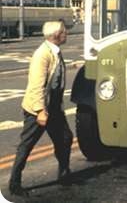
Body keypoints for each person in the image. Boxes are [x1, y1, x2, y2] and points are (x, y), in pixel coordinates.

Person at [8, 20, 73, 197]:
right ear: (56, 35)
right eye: (64, 31)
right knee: (27, 145)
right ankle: (14, 183)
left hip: (53, 108)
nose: (66, 33)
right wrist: (39, 111)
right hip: (38, 109)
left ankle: (64, 173)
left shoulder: (55, 52)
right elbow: (36, 85)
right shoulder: (42, 54)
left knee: (65, 138)